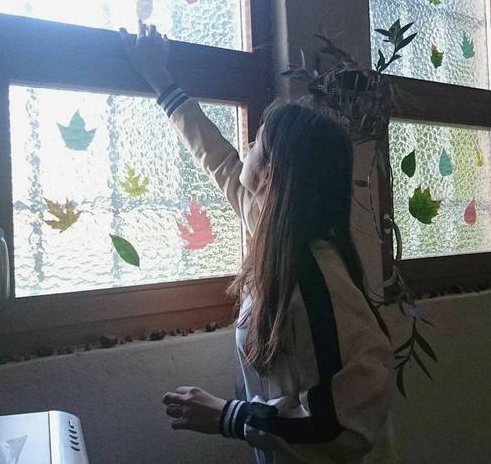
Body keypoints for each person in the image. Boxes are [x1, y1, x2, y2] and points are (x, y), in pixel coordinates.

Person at [120, 23, 397, 463]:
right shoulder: (277, 229)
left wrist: (229, 416)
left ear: (271, 174)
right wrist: (160, 79)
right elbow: (216, 159)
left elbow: (343, 423)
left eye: (257, 142)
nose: (246, 146)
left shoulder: (318, 281)